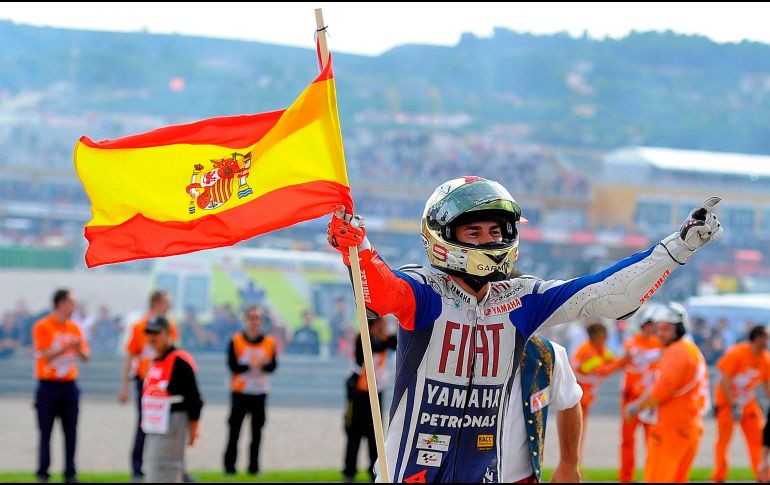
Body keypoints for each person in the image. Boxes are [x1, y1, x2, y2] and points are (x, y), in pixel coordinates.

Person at [326, 176, 722, 482]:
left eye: (496, 231)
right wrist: (358, 250)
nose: (489, 240)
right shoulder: (424, 289)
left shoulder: (524, 296)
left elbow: (604, 295)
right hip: (407, 469)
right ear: (443, 237)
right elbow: (381, 292)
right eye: (474, 232)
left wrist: (676, 249)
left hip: (485, 471)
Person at [626, 302, 710, 483]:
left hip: (671, 427)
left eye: (666, 329)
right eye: (658, 329)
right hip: (688, 424)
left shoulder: (677, 351)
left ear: (679, 328)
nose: (660, 334)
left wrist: (636, 406)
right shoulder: (690, 350)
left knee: (658, 478)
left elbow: (662, 390)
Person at [502, 336, 583, 483]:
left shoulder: (545, 352)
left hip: (521, 479)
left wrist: (569, 463)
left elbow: (570, 400)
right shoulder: (452, 348)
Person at [118, 290, 178, 481]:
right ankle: (137, 468)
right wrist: (124, 385)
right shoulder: (139, 327)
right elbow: (131, 355)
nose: (169, 305)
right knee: (145, 423)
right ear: (156, 302)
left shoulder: (170, 326)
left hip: (165, 380)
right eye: (167, 302)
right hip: (145, 380)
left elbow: (173, 353)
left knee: (166, 423)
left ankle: (164, 464)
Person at [32, 289, 90, 483]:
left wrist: (78, 348)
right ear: (61, 303)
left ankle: (70, 473)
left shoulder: (75, 328)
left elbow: (86, 358)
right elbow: (44, 354)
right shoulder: (43, 326)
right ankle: (43, 472)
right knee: (45, 431)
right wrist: (66, 347)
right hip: (48, 386)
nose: (73, 307)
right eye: (71, 303)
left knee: (71, 431)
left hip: (69, 386)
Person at [142, 316, 203, 483]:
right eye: (149, 333)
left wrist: (194, 428)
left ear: (169, 334)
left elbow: (194, 399)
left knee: (164, 470)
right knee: (157, 470)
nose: (152, 337)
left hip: (172, 422)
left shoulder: (179, 360)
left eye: (157, 332)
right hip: (155, 425)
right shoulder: (154, 361)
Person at [223, 306, 278, 476]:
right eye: (251, 318)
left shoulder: (269, 342)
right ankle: (229, 468)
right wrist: (249, 366)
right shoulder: (236, 340)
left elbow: (273, 365)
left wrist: (263, 365)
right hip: (240, 392)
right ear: (245, 320)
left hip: (259, 392)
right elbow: (232, 365)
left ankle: (253, 467)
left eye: (257, 318)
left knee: (257, 432)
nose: (254, 322)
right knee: (234, 431)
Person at [712, 325, 770, 482]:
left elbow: (767, 384)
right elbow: (724, 380)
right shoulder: (738, 353)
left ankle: (762, 476)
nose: (768, 340)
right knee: (723, 441)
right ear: (757, 338)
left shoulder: (765, 358)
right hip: (727, 401)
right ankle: (719, 476)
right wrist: (733, 404)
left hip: (747, 402)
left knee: (758, 439)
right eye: (766, 336)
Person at [343, 316, 397, 482]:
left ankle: (374, 472)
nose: (386, 326)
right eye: (383, 322)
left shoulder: (382, 338)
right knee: (354, 434)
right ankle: (349, 472)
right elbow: (374, 347)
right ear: (376, 322)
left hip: (376, 392)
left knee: (375, 437)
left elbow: (393, 343)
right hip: (359, 392)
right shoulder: (363, 337)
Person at [571, 320, 627, 462]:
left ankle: (577, 464)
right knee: (575, 436)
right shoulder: (587, 352)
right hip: (576, 399)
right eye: (604, 336)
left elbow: (611, 360)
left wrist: (623, 360)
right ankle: (574, 465)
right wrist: (622, 362)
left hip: (584, 399)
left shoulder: (599, 349)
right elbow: (602, 371)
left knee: (579, 434)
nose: (607, 338)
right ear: (595, 337)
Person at [619, 306, 662, 483]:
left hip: (649, 399)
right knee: (627, 441)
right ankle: (626, 478)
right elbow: (631, 356)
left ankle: (653, 476)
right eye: (650, 324)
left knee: (651, 440)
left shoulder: (659, 343)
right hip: (631, 397)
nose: (653, 328)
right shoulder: (632, 342)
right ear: (644, 325)